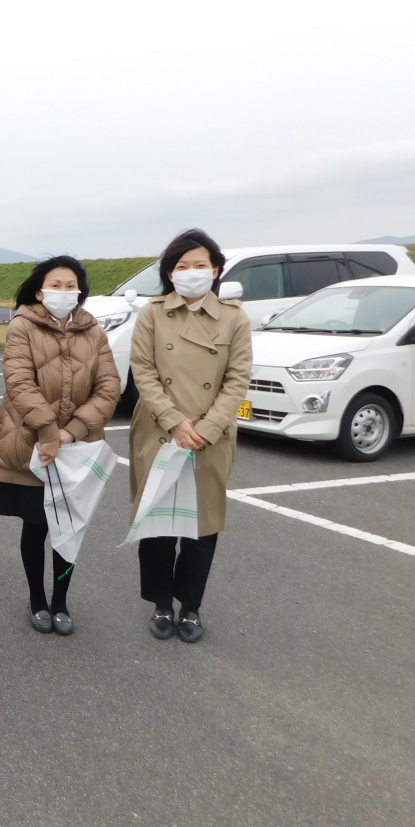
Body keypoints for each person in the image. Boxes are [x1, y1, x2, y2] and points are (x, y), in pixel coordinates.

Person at [129, 229, 252, 643]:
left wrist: (206, 427)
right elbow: (143, 371)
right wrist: (174, 421)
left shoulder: (235, 318)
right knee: (159, 522)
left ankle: (192, 607)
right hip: (160, 432)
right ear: (169, 272)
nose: (191, 273)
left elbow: (237, 380)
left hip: (209, 437)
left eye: (200, 265)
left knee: (202, 528)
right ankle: (162, 603)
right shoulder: (152, 313)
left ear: (215, 270)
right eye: (181, 266)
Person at [0, 256, 120, 636]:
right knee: (36, 525)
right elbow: (19, 381)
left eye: (71, 285)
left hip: (76, 447)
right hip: (31, 442)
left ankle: (61, 600)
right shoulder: (21, 326)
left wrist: (68, 434)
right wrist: (48, 433)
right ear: (39, 290)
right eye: (56, 285)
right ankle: (36, 598)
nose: (64, 292)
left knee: (69, 526)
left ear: (80, 291)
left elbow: (109, 387)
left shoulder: (93, 331)